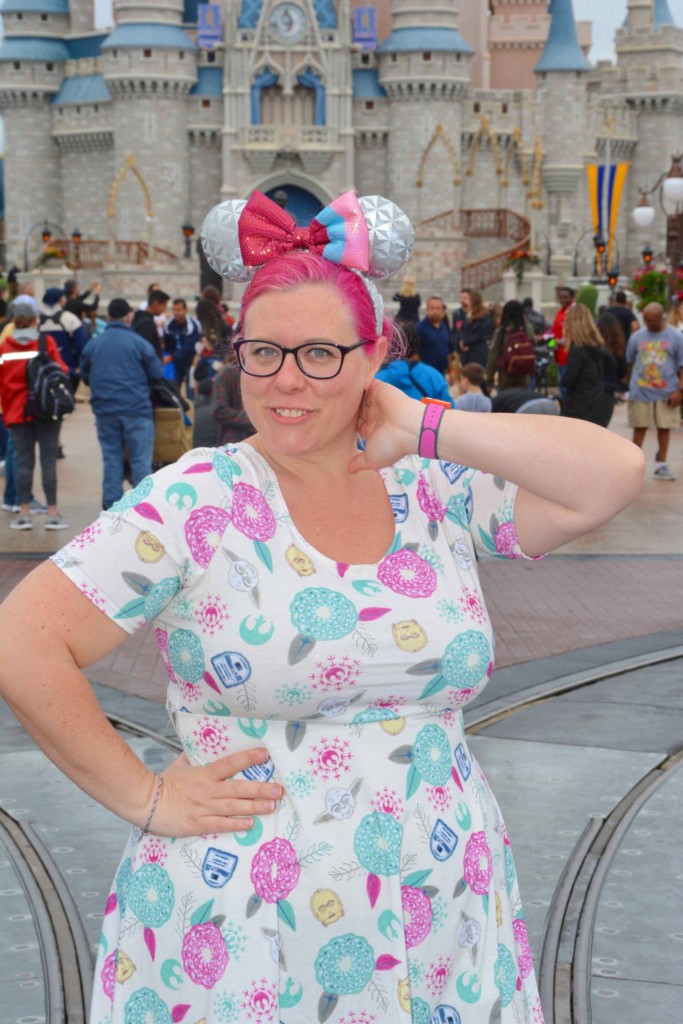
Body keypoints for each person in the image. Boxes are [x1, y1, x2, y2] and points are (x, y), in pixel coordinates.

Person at [0, 190, 644, 1024]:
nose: (286, 382)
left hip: (439, 896)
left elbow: (612, 476)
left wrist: (427, 429)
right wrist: (144, 796)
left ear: (375, 352)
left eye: (321, 354)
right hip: (246, 913)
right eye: (262, 352)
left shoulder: (429, 488)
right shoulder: (200, 499)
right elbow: (24, 638)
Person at [80, 298, 163, 508]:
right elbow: (156, 373)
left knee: (111, 458)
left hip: (105, 410)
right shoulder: (139, 343)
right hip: (136, 409)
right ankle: (141, 506)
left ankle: (111, 507)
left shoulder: (95, 344)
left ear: (108, 317)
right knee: (141, 460)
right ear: (129, 316)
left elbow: (85, 375)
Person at [0, 299, 70, 529]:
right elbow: (62, 370)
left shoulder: (4, 347)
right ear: (35, 320)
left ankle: (24, 514)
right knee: (48, 462)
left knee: (23, 463)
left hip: (16, 413)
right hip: (45, 411)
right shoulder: (44, 342)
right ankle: (52, 514)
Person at [626, 301, 683, 481]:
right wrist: (630, 385)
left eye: (650, 321)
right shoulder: (637, 337)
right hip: (640, 391)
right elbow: (629, 362)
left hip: (667, 391)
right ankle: (632, 467)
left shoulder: (676, 337)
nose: (647, 324)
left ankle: (661, 464)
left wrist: (680, 391)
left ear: (661, 318)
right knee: (639, 427)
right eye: (645, 320)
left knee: (664, 428)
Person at [561, 303, 617, 427]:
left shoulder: (578, 348)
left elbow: (570, 378)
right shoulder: (599, 346)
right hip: (603, 402)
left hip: (582, 404)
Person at [375, 320, 454, 406]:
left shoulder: (377, 381)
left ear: (389, 346)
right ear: (417, 344)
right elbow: (449, 412)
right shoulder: (434, 377)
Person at [40, 286, 90, 394]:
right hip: (68, 369)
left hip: (43, 369)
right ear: (61, 300)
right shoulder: (69, 318)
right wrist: (79, 366)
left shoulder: (38, 320)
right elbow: (81, 344)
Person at [487, 299, 536, 392]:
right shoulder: (527, 328)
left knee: (505, 401)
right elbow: (533, 345)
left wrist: (490, 377)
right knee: (523, 399)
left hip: (506, 372)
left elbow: (493, 354)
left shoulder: (501, 331)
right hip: (524, 371)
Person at [163, 298, 202, 399]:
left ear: (185, 310)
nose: (176, 313)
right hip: (176, 361)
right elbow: (167, 343)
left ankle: (192, 413)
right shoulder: (169, 325)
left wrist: (171, 357)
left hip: (190, 360)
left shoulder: (193, 325)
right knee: (173, 389)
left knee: (190, 391)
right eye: (174, 310)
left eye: (179, 310)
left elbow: (188, 347)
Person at [416, 295, 455, 378]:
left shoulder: (444, 327)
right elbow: (415, 354)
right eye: (432, 308)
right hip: (426, 374)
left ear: (442, 310)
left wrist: (451, 371)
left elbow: (448, 352)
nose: (435, 311)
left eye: (438, 308)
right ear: (427, 309)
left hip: (442, 374)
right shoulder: (419, 328)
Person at [457, 288, 493, 368]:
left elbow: (479, 334)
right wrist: (462, 341)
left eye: (468, 299)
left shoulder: (484, 317)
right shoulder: (466, 315)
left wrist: (465, 341)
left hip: (477, 354)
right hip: (467, 355)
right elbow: (462, 331)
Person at [132, 288, 170, 358]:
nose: (164, 309)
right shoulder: (147, 323)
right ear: (156, 304)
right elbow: (143, 349)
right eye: (163, 306)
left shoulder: (139, 316)